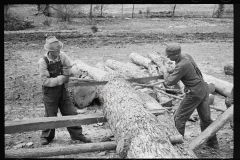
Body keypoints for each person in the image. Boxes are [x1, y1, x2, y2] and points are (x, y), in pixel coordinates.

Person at [161, 43, 219, 149]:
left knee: (178, 118)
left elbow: (169, 82)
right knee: (206, 119)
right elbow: (190, 70)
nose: (168, 57)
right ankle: (213, 143)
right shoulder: (186, 55)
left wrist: (165, 71)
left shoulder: (181, 65)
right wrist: (172, 71)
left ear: (176, 55)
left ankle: (179, 148)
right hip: (203, 88)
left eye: (169, 55)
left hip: (194, 93)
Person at [38, 36, 91, 145]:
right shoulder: (43, 62)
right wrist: (61, 78)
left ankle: (77, 135)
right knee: (50, 115)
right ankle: (46, 136)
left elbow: (69, 67)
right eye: (56, 50)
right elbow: (44, 81)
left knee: (70, 112)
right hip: (49, 93)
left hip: (62, 90)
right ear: (50, 51)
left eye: (59, 49)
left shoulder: (62, 56)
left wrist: (69, 72)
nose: (59, 51)